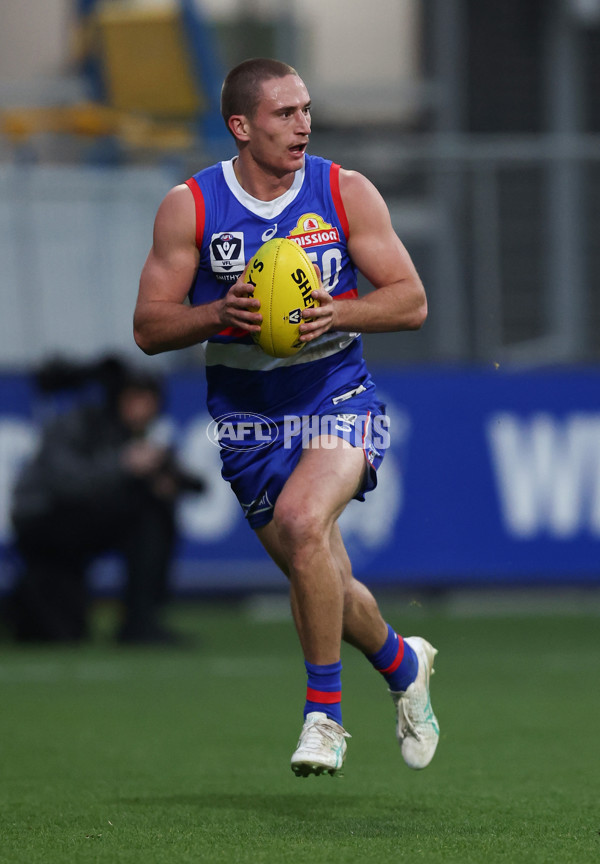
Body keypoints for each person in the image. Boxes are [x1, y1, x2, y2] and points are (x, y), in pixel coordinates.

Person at [134, 58, 439, 775]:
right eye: (284, 113)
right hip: (249, 421)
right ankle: (403, 663)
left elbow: (412, 301)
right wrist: (219, 312)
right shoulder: (193, 207)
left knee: (305, 524)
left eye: (306, 109)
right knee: (323, 570)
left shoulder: (344, 191)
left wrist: (342, 310)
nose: (303, 123)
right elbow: (149, 327)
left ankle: (324, 720)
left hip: (337, 394)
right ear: (241, 126)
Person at [8, 357, 204, 644]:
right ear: (117, 399)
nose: (142, 408)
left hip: (78, 526)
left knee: (154, 508)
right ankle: (137, 625)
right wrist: (124, 466)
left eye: (148, 400)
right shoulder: (78, 423)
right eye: (134, 398)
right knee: (53, 631)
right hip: (43, 521)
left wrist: (166, 481)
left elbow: (196, 485)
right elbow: (64, 484)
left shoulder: (136, 440)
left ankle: (142, 619)